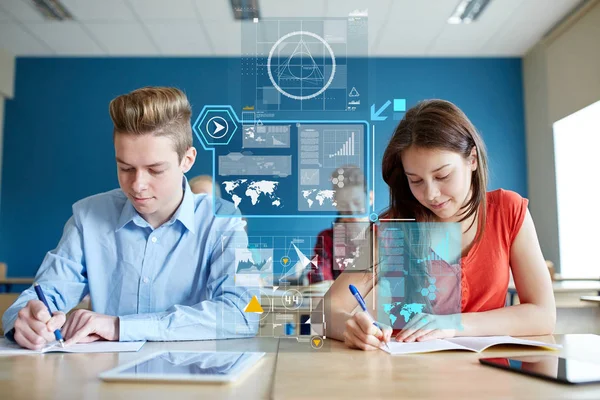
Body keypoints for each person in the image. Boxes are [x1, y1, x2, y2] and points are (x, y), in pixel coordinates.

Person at [2, 87, 257, 350]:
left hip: (191, 382)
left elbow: (243, 314)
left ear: (187, 160)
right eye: (125, 168)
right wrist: (24, 319)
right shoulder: (87, 216)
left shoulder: (224, 221)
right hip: (101, 381)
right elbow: (42, 296)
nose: (137, 185)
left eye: (155, 170)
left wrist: (119, 326)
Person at [323, 99, 556, 351]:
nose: (431, 194)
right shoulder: (393, 227)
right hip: (410, 378)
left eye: (442, 176)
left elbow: (543, 314)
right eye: (416, 181)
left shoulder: (508, 211)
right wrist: (351, 326)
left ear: (473, 159)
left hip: (490, 378)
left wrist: (454, 324)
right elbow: (326, 312)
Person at [307, 166, 372, 283]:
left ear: (371, 198)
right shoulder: (327, 239)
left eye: (357, 202)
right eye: (343, 204)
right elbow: (319, 280)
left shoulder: (386, 236)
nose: (351, 211)